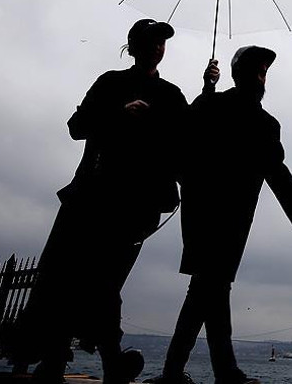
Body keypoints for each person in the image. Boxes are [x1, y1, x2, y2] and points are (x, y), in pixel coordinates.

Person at [13, 19, 190, 384]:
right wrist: (119, 113)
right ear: (134, 45)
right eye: (152, 40)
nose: (159, 46)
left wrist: (205, 88)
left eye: (162, 41)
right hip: (92, 196)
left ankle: (91, 360)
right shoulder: (110, 82)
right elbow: (76, 126)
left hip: (136, 206)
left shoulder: (172, 96)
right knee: (69, 277)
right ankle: (76, 359)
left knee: (105, 281)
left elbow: (188, 142)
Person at [151, 46, 292, 384]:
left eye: (264, 71)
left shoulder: (231, 111)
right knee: (209, 288)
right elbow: (185, 134)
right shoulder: (253, 119)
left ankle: (191, 371)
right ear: (245, 75)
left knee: (209, 289)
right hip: (223, 217)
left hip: (210, 215)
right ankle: (212, 372)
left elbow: (272, 167)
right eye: (258, 71)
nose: (261, 77)